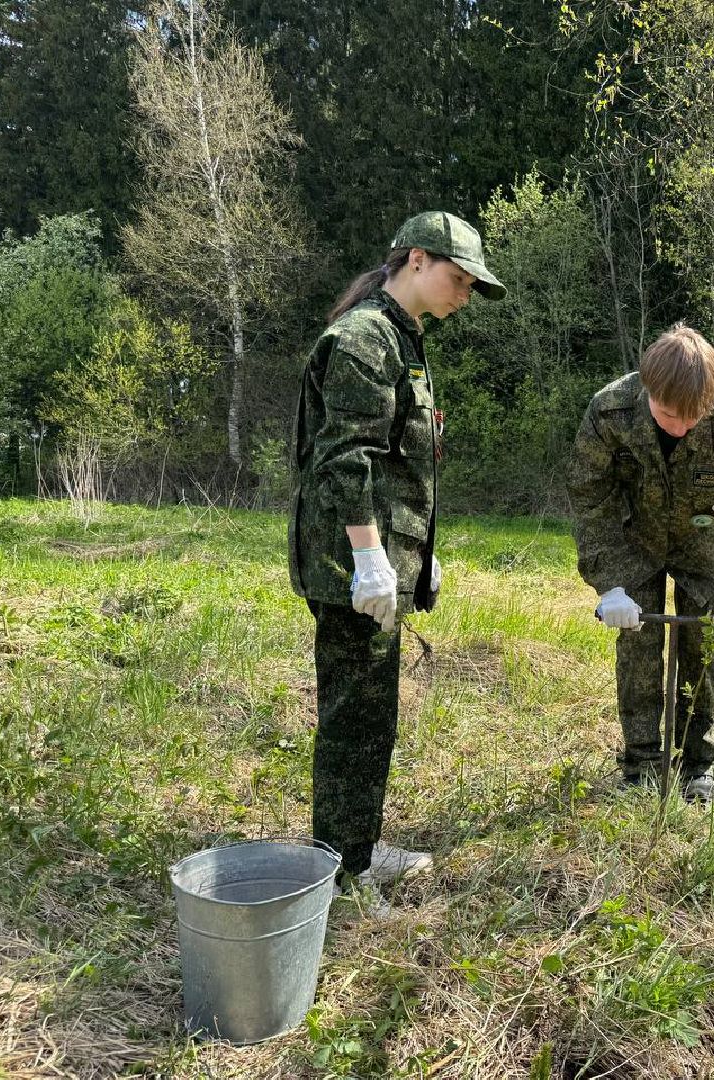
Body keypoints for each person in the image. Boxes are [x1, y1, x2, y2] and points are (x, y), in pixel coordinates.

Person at [289, 211, 505, 909]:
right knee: (353, 721)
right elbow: (346, 459)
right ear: (417, 259)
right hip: (348, 569)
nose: (465, 295)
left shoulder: (402, 339)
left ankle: (357, 846)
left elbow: (401, 468)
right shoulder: (363, 339)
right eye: (460, 279)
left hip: (377, 563)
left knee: (373, 715)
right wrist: (370, 559)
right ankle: (339, 872)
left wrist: (416, 556)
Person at [567, 323, 714, 804]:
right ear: (648, 389)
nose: (681, 428)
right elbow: (590, 498)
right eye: (669, 415)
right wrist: (609, 584)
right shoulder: (610, 411)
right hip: (634, 545)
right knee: (637, 649)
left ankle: (697, 765)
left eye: (694, 418)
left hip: (705, 547)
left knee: (702, 649)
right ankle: (641, 765)